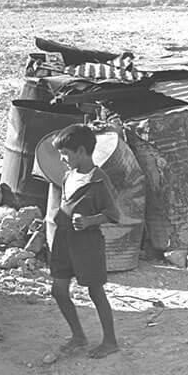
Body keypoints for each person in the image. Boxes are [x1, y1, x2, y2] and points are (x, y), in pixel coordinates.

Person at [48, 124, 121, 359]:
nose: (62, 158)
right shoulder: (68, 176)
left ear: (81, 151)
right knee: (58, 290)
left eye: (65, 153)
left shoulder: (99, 180)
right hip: (64, 241)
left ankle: (110, 341)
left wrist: (90, 221)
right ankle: (78, 336)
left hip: (87, 244)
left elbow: (113, 214)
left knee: (95, 292)